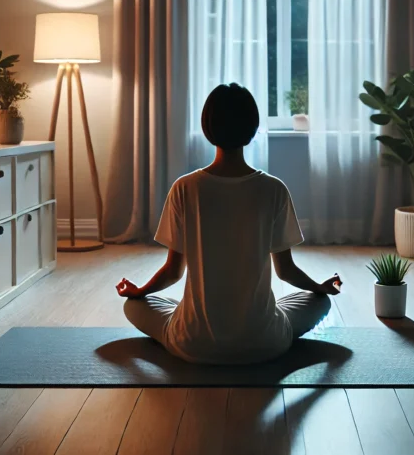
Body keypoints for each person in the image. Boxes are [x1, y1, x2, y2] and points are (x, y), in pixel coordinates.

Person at [116, 83, 342, 365]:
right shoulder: (274, 189)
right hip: (264, 343)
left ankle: (185, 316)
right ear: (252, 127)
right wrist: (320, 288)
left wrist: (139, 292)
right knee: (320, 302)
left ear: (207, 127)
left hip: (193, 344)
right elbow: (286, 271)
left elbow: (173, 272)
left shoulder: (185, 188)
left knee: (134, 306)